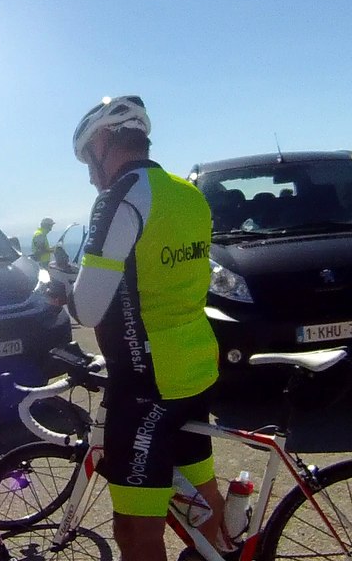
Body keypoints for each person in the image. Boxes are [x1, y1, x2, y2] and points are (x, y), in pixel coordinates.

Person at [66, 95, 227, 560]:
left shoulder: (120, 197)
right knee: (200, 497)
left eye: (87, 161)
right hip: (196, 367)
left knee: (136, 531)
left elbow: (89, 307)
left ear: (102, 141)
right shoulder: (187, 192)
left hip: (145, 385)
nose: (90, 174)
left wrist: (66, 292)